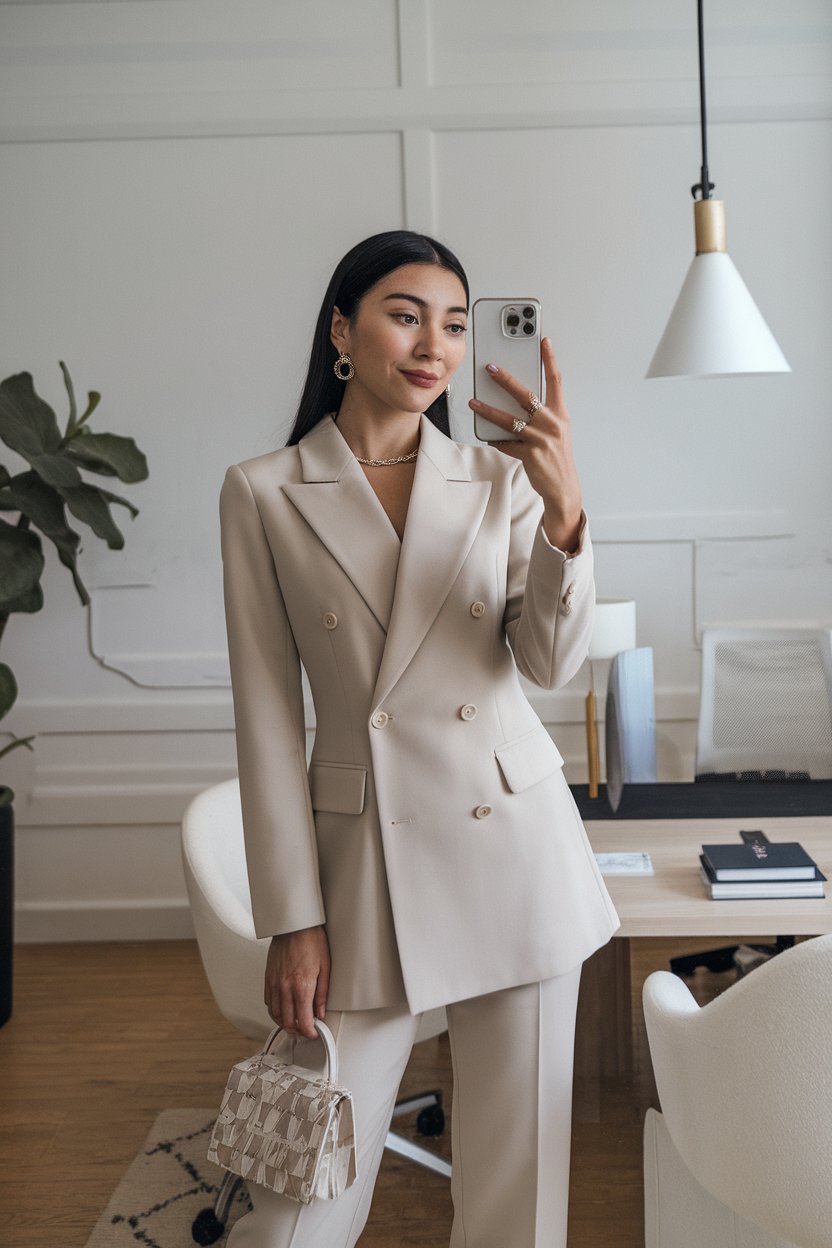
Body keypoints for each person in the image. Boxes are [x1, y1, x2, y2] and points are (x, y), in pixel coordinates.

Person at [219, 229, 620, 1248]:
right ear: (343, 331)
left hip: (516, 857)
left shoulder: (500, 478)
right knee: (295, 1208)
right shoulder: (264, 491)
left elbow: (546, 664)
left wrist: (567, 516)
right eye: (405, 314)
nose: (433, 344)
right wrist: (292, 917)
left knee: (514, 1200)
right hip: (365, 876)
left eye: (452, 322)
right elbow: (267, 716)